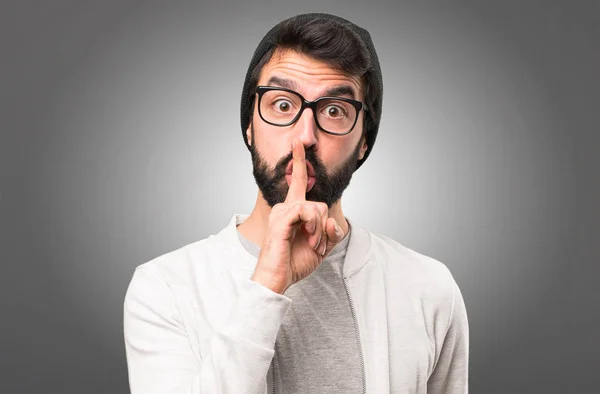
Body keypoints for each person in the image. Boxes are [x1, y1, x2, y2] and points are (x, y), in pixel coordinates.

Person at [123, 12, 469, 394]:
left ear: (364, 143)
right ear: (249, 126)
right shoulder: (165, 289)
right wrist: (267, 285)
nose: (304, 137)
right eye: (282, 105)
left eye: (335, 111)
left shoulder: (428, 288)